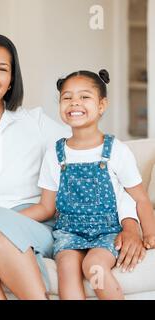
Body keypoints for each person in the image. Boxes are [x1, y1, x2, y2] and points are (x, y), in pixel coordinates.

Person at [0, 33, 146, 300]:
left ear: (11, 80)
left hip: (32, 226)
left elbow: (104, 166)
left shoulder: (35, 124)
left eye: (2, 69)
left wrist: (131, 224)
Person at [19, 69, 155, 300]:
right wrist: (7, 217)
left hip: (107, 232)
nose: (75, 103)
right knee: (67, 268)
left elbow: (140, 198)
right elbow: (46, 208)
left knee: (94, 267)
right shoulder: (55, 153)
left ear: (102, 105)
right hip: (68, 233)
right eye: (67, 97)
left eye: (84, 97)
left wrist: (150, 236)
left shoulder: (116, 150)